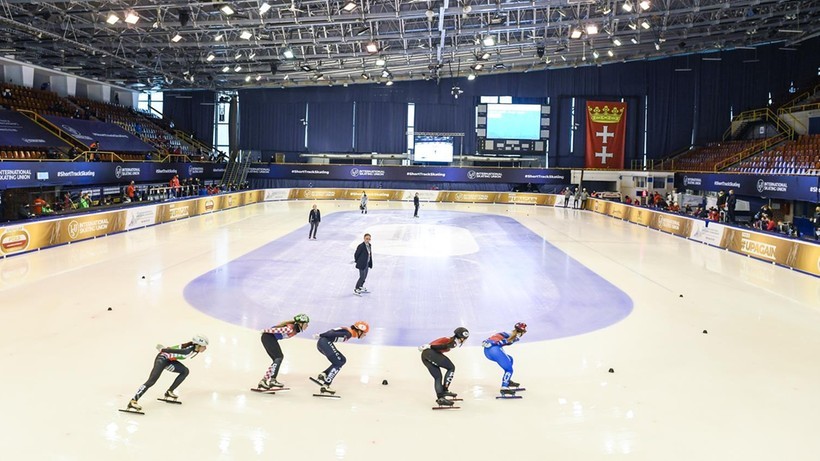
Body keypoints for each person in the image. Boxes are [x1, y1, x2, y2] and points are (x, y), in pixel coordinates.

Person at [126, 335, 209, 412]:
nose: (205, 348)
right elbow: (174, 351)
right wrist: (163, 349)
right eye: (204, 346)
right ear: (198, 345)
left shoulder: (192, 349)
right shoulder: (188, 350)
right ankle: (133, 401)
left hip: (169, 361)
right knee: (151, 381)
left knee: (185, 371)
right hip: (162, 359)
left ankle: (169, 391)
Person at [313, 321, 370, 394]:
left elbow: (332, 332)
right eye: (364, 333)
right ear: (359, 331)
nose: (364, 335)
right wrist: (320, 335)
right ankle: (326, 385)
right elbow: (331, 333)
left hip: (323, 343)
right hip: (324, 343)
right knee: (338, 362)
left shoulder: (348, 331)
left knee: (342, 360)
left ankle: (324, 374)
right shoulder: (348, 333)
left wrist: (321, 336)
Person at [419, 327, 470, 407]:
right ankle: (445, 390)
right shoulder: (454, 342)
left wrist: (429, 347)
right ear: (462, 338)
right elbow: (444, 346)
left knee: (438, 377)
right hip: (430, 352)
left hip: (424, 356)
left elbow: (443, 345)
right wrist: (430, 347)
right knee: (451, 367)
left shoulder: (450, 339)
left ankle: (441, 397)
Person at [257, 314, 310, 390]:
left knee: (276, 360)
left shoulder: (295, 330)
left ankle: (264, 381)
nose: (307, 326)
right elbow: (276, 330)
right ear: (300, 323)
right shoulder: (290, 329)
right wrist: (265, 330)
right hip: (268, 337)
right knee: (279, 357)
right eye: (306, 324)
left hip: (270, 338)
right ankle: (272, 380)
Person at [483, 323, 527, 395]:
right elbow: (501, 341)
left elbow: (495, 336)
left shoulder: (511, 333)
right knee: (509, 369)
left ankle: (507, 381)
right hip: (494, 350)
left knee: (510, 359)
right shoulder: (512, 335)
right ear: (522, 332)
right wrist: (492, 343)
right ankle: (504, 387)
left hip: (489, 351)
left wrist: (487, 341)